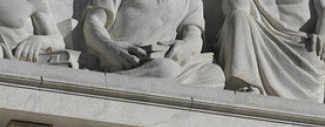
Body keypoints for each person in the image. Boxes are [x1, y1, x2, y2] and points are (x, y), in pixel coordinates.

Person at [218, 0, 325, 103]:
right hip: (259, 38)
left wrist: (324, 38)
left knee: (315, 54)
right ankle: (244, 83)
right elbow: (237, 9)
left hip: (301, 45)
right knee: (238, 17)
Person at [82, 0, 225, 87]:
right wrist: (111, 48)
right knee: (166, 70)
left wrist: (185, 47)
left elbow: (194, 36)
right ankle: (114, 80)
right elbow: (92, 23)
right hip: (124, 61)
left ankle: (119, 84)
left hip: (164, 61)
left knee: (215, 74)